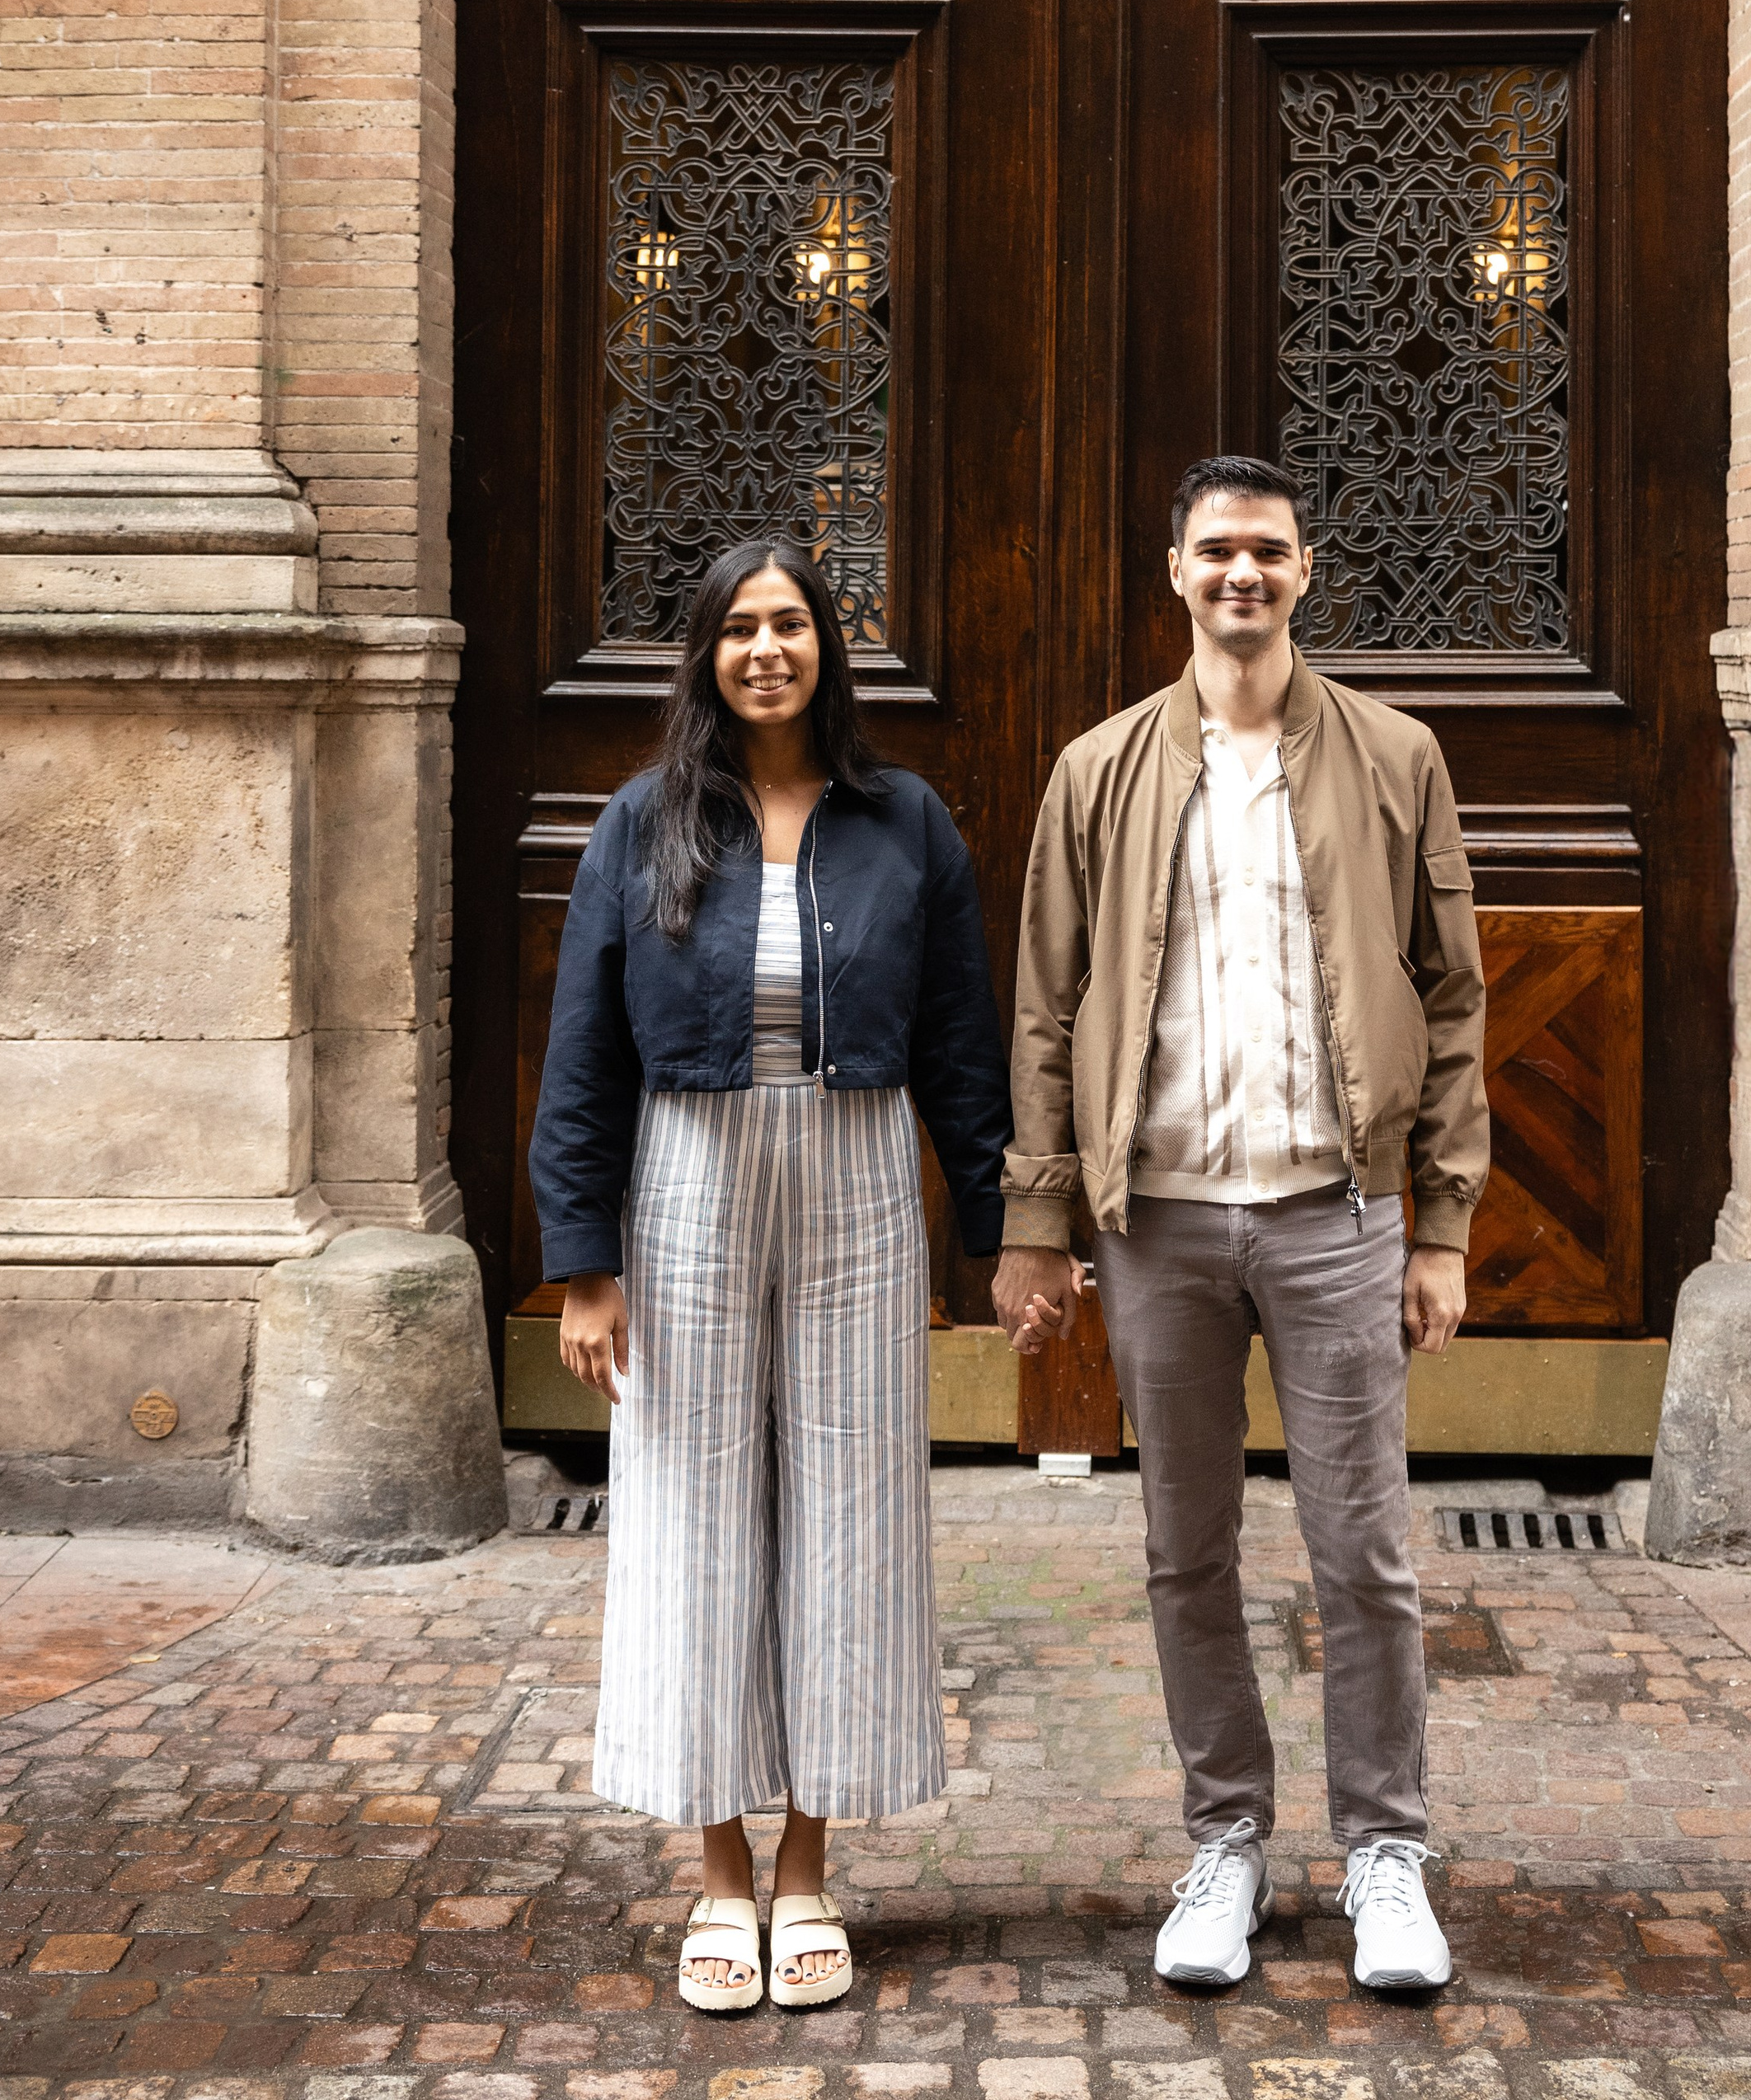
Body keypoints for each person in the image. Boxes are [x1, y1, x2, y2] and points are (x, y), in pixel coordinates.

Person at [531, 536, 1063, 2013]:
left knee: (851, 1501)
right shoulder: (643, 823)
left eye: (792, 625)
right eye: (739, 628)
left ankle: (813, 1867)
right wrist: (583, 1264)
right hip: (687, 1173)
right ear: (705, 655)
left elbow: (963, 1039)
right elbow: (584, 1051)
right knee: (694, 1501)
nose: (767, 648)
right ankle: (715, 1876)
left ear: (830, 646)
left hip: (857, 1172)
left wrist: (1004, 1230)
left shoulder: (905, 824)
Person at [999, 456, 1490, 1993]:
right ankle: (1226, 1841)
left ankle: (1386, 1856)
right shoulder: (1099, 773)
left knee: (1367, 1552)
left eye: (1266, 553)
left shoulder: (1398, 757)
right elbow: (1045, 1009)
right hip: (1163, 1226)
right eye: (1216, 551)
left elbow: (1456, 993)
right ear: (1175, 572)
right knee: (1183, 1550)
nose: (1242, 576)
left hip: (1339, 1210)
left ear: (1304, 569)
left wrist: (1442, 1223)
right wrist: (1038, 1215)